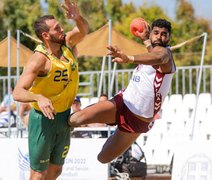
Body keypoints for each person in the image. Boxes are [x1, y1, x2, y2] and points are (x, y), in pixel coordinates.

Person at [68, 18, 175, 164]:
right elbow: (153, 52)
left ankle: (116, 130)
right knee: (77, 119)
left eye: (164, 34)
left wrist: (128, 58)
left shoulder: (166, 56)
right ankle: (53, 128)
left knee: (103, 158)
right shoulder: (151, 51)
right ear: (151, 34)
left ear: (169, 38)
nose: (159, 36)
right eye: (156, 32)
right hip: (123, 102)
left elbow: (158, 56)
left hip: (137, 120)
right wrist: (145, 40)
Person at [13, 0, 89, 179]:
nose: (62, 30)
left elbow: (84, 30)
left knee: (56, 170)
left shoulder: (68, 44)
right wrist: (38, 97)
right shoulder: (39, 59)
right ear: (46, 35)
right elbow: (18, 91)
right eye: (57, 28)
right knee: (38, 174)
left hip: (63, 116)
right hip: (43, 120)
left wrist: (78, 18)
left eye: (61, 26)